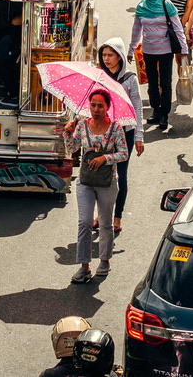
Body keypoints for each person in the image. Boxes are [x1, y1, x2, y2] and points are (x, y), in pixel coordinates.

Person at [63, 88, 127, 283]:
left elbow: (123, 153)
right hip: (85, 182)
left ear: (108, 107)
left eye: (100, 106)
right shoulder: (81, 125)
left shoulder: (115, 128)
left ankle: (105, 261)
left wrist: (104, 159)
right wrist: (68, 133)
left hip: (108, 182)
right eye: (93, 105)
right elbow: (73, 149)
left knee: (106, 224)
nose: (96, 109)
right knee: (84, 222)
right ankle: (84, 266)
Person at [95, 40, 146, 235]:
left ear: (120, 56)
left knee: (120, 176)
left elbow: (137, 108)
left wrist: (139, 136)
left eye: (110, 55)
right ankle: (100, 216)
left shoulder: (130, 79)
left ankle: (117, 217)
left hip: (125, 133)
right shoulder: (100, 77)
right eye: (104, 55)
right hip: (102, 133)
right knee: (101, 176)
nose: (107, 59)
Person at [130, 0, 184, 130]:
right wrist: (131, 49)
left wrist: (184, 49)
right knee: (152, 83)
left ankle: (164, 114)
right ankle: (155, 110)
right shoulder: (141, 6)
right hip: (148, 51)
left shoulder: (166, 4)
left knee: (165, 83)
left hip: (166, 51)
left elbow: (177, 27)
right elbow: (136, 31)